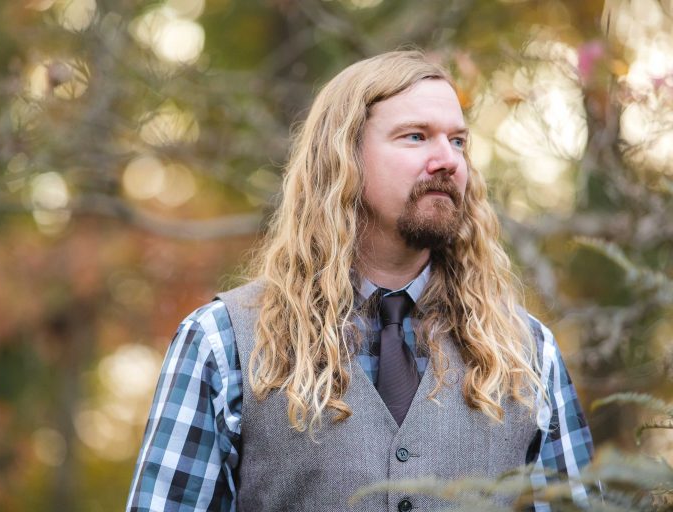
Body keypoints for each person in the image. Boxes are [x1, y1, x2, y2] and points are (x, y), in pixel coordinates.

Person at [126, 50, 595, 512]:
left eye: (457, 141)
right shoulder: (222, 341)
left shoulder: (528, 352)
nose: (447, 160)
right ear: (343, 157)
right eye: (415, 136)